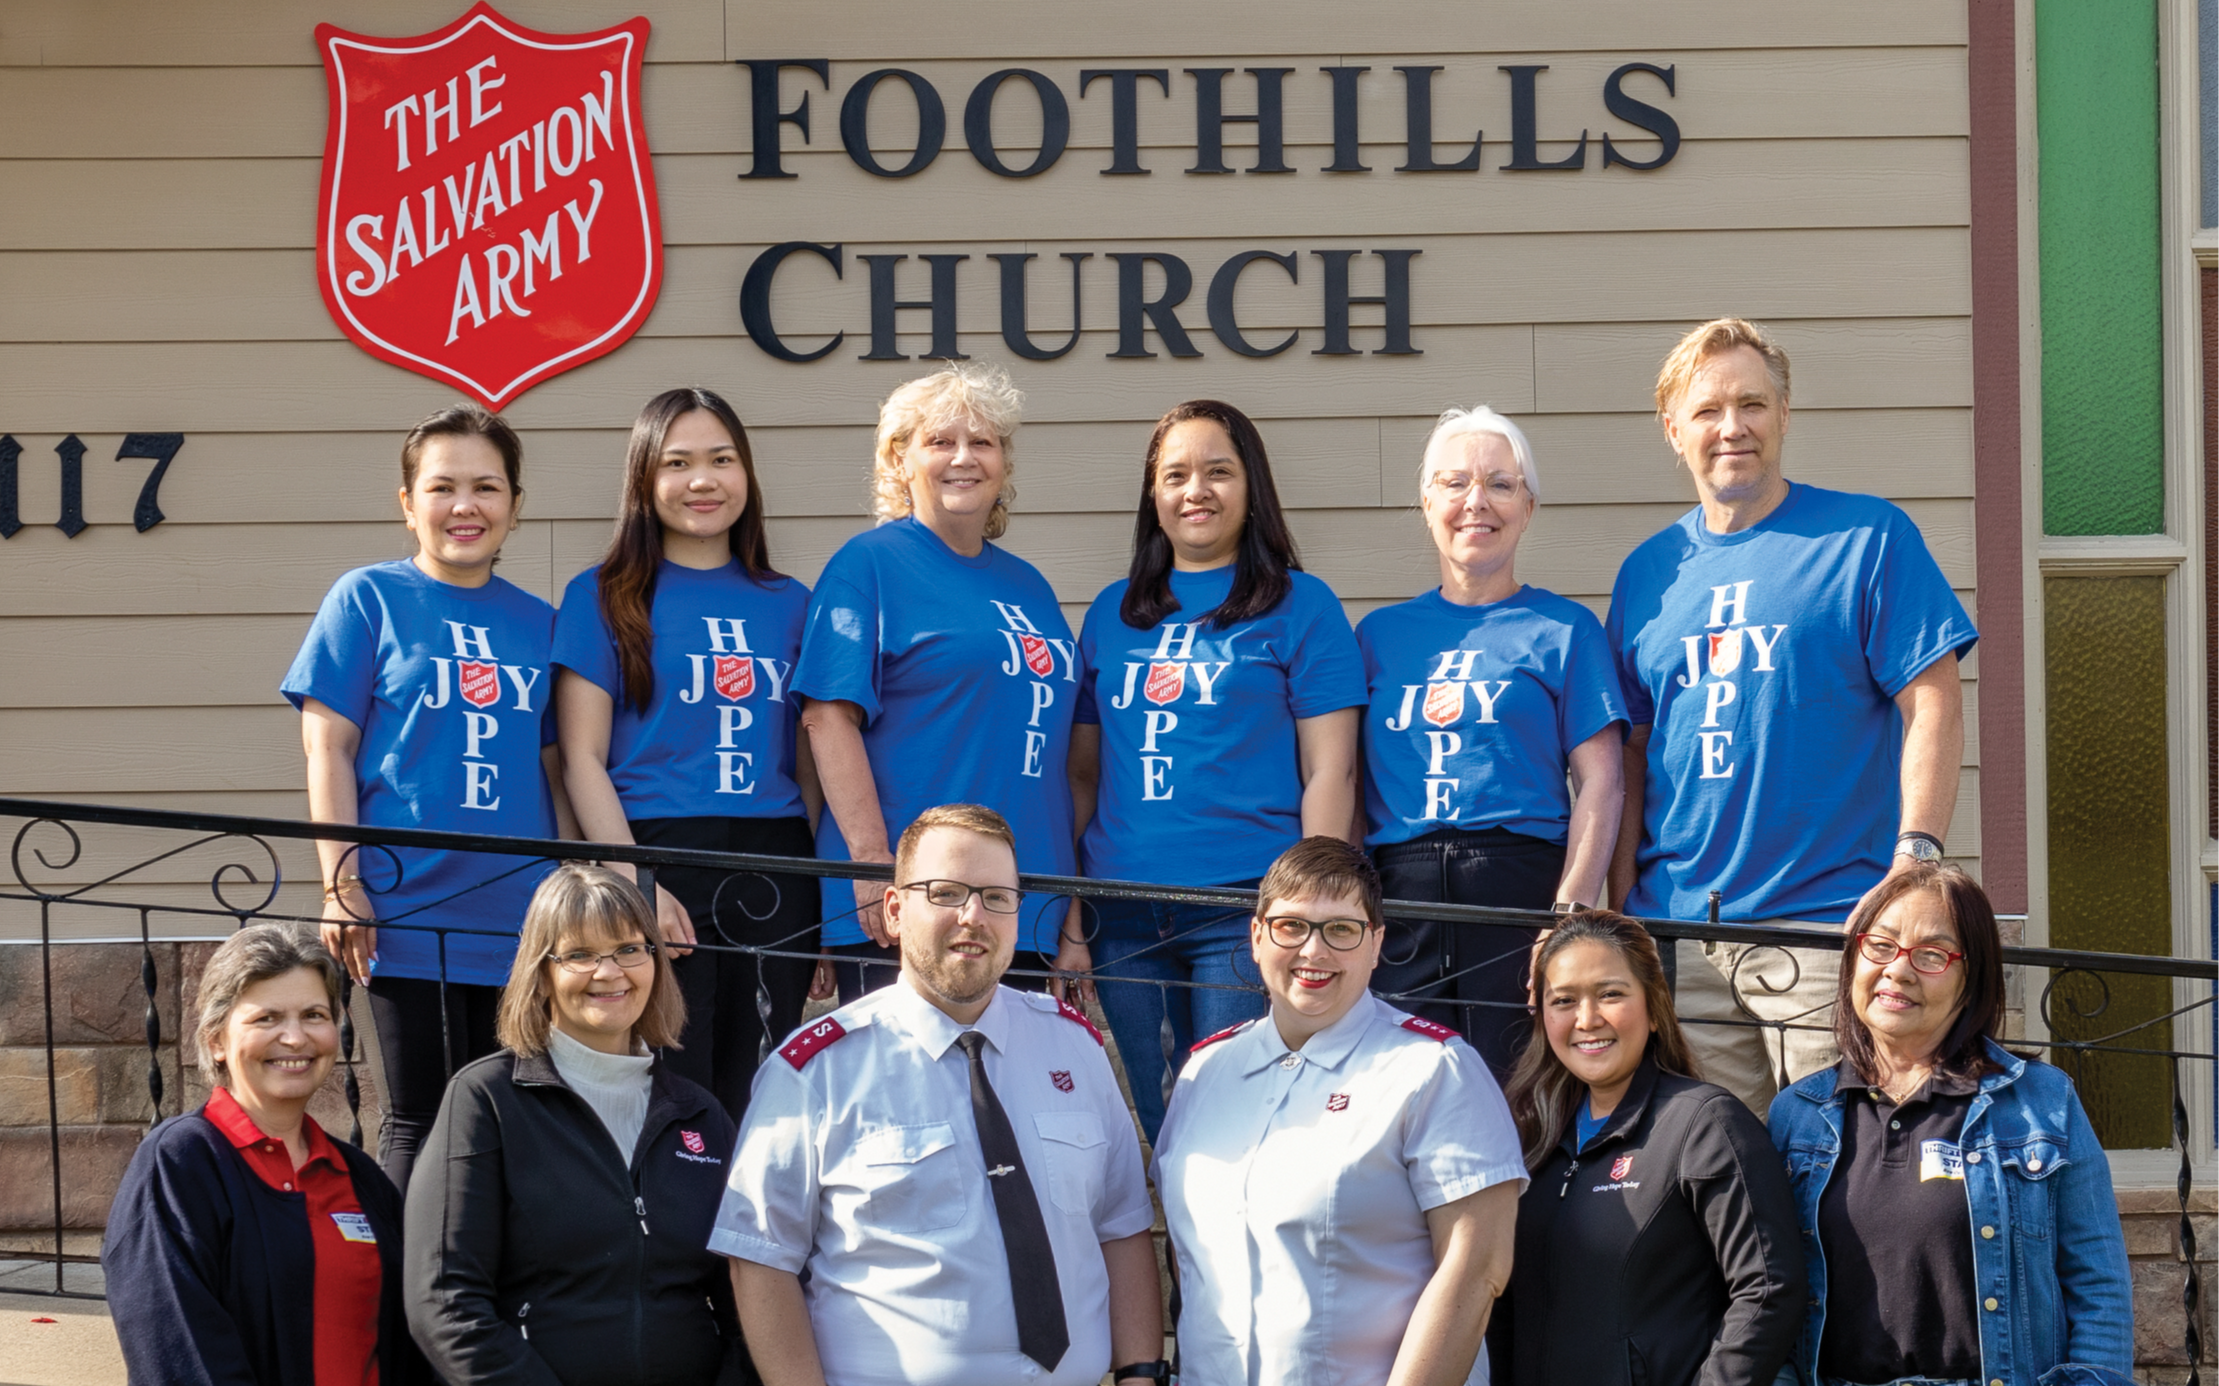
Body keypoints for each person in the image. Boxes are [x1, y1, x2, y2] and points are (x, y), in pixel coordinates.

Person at [1605, 318, 1977, 1111]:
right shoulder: (1646, 575)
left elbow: (1933, 698)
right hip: (1681, 942)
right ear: (1672, 429)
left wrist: (1913, 859)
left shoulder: (1865, 538)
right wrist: (1621, 903)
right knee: (1716, 1169)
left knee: (1838, 1156)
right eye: (1707, 411)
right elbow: (1632, 750)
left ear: (1783, 413)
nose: (1731, 427)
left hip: (1825, 928)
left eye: (1751, 404)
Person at [713, 804, 1163, 1386]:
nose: (974, 916)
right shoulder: (815, 1071)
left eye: (996, 897)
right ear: (894, 910)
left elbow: (1122, 1226)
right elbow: (760, 1257)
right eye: (946, 893)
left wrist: (1140, 1374)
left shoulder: (1075, 1047)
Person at [282, 402, 576, 1193]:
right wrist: (341, 884)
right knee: (419, 1121)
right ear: (408, 503)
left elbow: (559, 772)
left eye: (486, 487)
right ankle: (406, 1277)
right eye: (443, 487)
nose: (464, 506)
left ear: (515, 504)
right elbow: (328, 749)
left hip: (522, 918)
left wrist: (581, 900)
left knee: (516, 1124)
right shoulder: (366, 599)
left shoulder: (544, 625)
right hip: (405, 909)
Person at [1065, 398, 1365, 1140]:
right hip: (1120, 908)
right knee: (1155, 1114)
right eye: (1175, 475)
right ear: (1153, 496)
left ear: (1251, 486)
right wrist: (1070, 908)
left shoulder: (1301, 605)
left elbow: (1331, 773)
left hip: (1242, 906)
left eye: (1218, 472)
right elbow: (1081, 777)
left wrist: (1309, 912)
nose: (1195, 490)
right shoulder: (1110, 613)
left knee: (1235, 1110)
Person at [1154, 836, 1524, 1386]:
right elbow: (1188, 1259)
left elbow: (1476, 1269)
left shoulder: (1434, 1070)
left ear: (1376, 944)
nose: (1314, 951)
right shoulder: (1203, 1073)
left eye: (1342, 930)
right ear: (1256, 937)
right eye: (1291, 926)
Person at [555, 386, 822, 1120]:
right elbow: (580, 758)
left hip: (777, 862)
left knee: (762, 1083)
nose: (702, 480)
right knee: (668, 1083)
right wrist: (634, 881)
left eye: (721, 460)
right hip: (657, 854)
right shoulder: (601, 596)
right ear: (644, 478)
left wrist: (823, 885)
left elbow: (809, 762)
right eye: (677, 463)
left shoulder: (792, 602)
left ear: (747, 474)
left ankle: (749, 1204)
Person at [1769, 863, 2133, 1386]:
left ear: (1972, 981)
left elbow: (2098, 1287)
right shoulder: (1797, 1114)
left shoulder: (2042, 1103)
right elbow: (1771, 1295)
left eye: (1932, 955)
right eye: (1881, 945)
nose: (1898, 970)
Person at [795, 364, 1080, 1001]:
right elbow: (826, 716)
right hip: (912, 899)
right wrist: (872, 864)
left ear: (1003, 463)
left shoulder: (1030, 584)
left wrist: (1070, 906)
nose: (964, 457)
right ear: (900, 460)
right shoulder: (867, 565)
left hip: (1023, 897)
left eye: (983, 442)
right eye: (940, 441)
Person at [404, 863, 747, 1385]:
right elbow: (445, 1303)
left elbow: (748, 1296)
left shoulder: (699, 1114)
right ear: (542, 971)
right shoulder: (485, 1100)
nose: (609, 972)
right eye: (580, 955)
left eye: (629, 949)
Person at [1360, 406, 1626, 1075]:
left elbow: (1603, 781)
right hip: (1400, 895)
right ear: (1427, 503)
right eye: (1455, 484)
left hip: (1518, 891)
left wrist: (1567, 914)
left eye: (1500, 484)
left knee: (1521, 1090)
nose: (1475, 501)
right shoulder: (1377, 636)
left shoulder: (1564, 628)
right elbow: (1346, 779)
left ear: (1527, 507)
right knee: (1404, 1086)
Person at [105, 925, 425, 1386]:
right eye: (267, 1018)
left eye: (314, 1015)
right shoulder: (180, 1164)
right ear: (216, 1041)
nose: (295, 1038)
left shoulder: (359, 1177)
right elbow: (178, 1354)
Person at [1499, 911, 1803, 1386]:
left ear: (1655, 1008)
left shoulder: (1706, 1124)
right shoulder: (1524, 1135)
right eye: (1564, 1000)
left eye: (1610, 994)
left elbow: (1768, 1289)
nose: (1587, 1019)